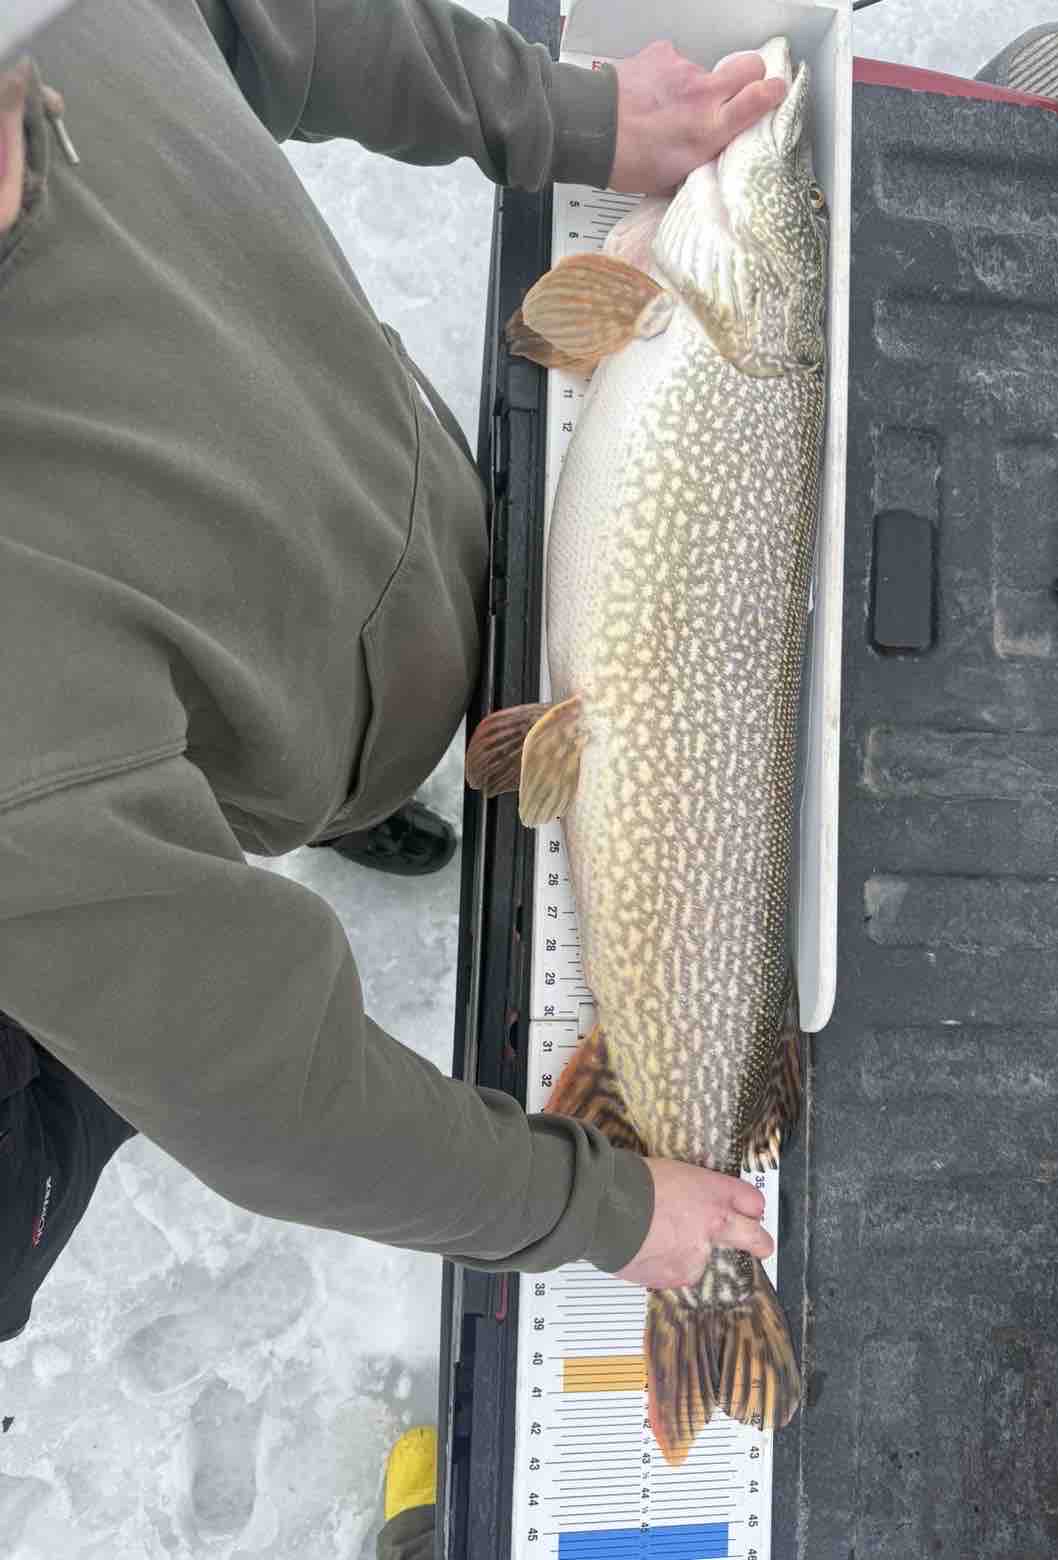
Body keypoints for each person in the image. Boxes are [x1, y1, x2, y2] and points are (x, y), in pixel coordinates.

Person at [0, 0, 782, 1524]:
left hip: (397, 506)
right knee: (125, 910)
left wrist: (569, 114)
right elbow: (280, 1100)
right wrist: (605, 1207)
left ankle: (335, 750)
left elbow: (252, 16)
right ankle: (299, 794)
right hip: (184, 767)